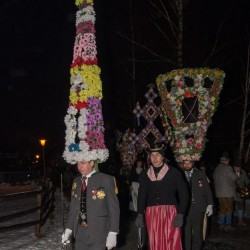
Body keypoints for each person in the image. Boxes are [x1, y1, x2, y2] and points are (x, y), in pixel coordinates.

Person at [135, 143, 189, 250]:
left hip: (170, 213)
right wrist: (140, 213)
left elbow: (184, 195)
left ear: (163, 156)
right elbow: (142, 196)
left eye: (157, 155)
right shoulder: (145, 174)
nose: (154, 158)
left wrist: (181, 214)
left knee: (172, 241)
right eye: (152, 155)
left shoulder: (174, 172)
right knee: (155, 242)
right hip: (152, 213)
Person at [61, 160, 120, 250]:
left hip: (99, 232)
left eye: (83, 163)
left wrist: (113, 232)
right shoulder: (76, 181)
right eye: (78, 163)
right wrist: (68, 229)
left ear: (92, 163)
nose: (80, 166)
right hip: (79, 232)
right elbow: (73, 208)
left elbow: (114, 208)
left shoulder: (106, 179)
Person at [181, 160, 214, 250]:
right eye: (185, 163)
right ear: (182, 164)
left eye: (189, 163)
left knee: (198, 232)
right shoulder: (179, 174)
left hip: (198, 207)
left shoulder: (200, 174)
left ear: (193, 164)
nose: (187, 165)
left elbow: (207, 189)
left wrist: (210, 204)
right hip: (185, 208)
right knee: (186, 232)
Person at [213, 151, 237, 232]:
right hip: (228, 192)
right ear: (226, 160)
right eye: (228, 160)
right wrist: (236, 174)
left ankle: (221, 224)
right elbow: (234, 178)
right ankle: (228, 225)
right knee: (229, 208)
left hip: (219, 193)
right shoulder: (228, 167)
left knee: (222, 208)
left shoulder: (217, 168)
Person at [233, 159, 250, 225]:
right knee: (229, 207)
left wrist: (246, 188)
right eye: (236, 167)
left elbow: (247, 182)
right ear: (233, 167)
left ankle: (240, 221)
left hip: (240, 194)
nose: (238, 168)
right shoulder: (230, 172)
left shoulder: (243, 172)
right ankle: (226, 222)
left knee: (241, 206)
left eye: (239, 167)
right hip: (231, 193)